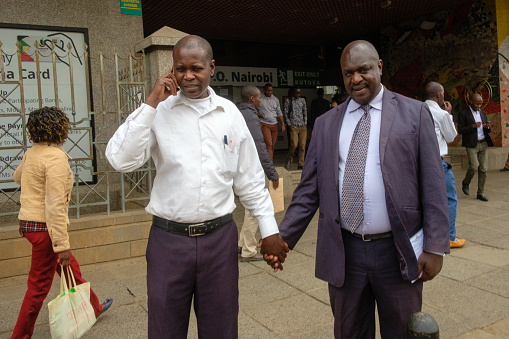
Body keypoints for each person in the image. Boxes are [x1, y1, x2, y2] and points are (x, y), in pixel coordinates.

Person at [262, 40, 449, 338]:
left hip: (398, 252)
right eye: (348, 73)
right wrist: (283, 239)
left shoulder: (414, 114)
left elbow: (434, 185)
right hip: (344, 253)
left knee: (402, 330)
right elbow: (308, 192)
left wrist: (435, 246)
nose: (356, 79)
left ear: (379, 68)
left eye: (363, 70)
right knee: (349, 332)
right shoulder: (325, 124)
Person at [105, 35, 288, 338]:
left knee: (221, 328)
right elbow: (120, 160)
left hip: (219, 242)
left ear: (211, 68)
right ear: (171, 71)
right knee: (165, 329)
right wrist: (151, 102)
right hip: (168, 243)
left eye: (196, 68)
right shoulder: (159, 111)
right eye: (180, 68)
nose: (187, 76)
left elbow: (250, 179)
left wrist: (269, 231)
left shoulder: (229, 114)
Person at [12, 107, 112, 339]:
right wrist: (62, 245)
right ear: (59, 129)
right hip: (46, 230)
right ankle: (19, 336)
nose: (67, 129)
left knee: (71, 269)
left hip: (30, 225)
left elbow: (19, 177)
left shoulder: (33, 152)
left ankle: (93, 307)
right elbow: (55, 206)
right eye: (64, 125)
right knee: (37, 289)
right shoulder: (55, 158)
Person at [237, 86, 280, 262]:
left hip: (239, 168)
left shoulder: (237, 113)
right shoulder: (251, 117)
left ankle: (241, 245)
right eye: (259, 98)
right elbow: (260, 147)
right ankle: (248, 250)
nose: (261, 101)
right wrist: (272, 173)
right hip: (250, 169)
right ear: (252, 99)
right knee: (254, 210)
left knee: (250, 208)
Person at [425, 81, 466, 248]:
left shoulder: (417, 110)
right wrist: (448, 114)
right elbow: (450, 137)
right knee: (449, 198)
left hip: (421, 162)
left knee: (426, 200)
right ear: (439, 95)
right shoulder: (441, 114)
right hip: (437, 163)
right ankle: (450, 237)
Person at [457, 93, 493, 201]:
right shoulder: (463, 113)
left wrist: (487, 127)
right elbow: (460, 130)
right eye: (477, 104)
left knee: (483, 169)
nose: (478, 106)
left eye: (480, 104)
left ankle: (480, 193)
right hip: (471, 144)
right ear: (471, 102)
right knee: (473, 166)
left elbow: (487, 129)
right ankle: (465, 182)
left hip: (483, 143)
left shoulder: (483, 113)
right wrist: (473, 126)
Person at [259, 83, 285, 160]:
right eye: (268, 91)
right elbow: (253, 110)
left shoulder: (275, 99)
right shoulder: (259, 98)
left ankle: (269, 161)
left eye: (271, 91)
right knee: (269, 144)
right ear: (264, 90)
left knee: (272, 145)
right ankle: (269, 164)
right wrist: (259, 115)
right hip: (264, 124)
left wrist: (283, 123)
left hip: (274, 124)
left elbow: (279, 112)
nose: (269, 92)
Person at [284, 87, 307, 170]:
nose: (298, 95)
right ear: (293, 93)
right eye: (296, 93)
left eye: (299, 93)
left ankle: (301, 164)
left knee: (302, 146)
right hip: (293, 126)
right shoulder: (288, 100)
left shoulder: (302, 100)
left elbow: (305, 112)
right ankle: (289, 159)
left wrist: (305, 122)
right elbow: (286, 113)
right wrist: (289, 124)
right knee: (294, 144)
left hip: (302, 126)